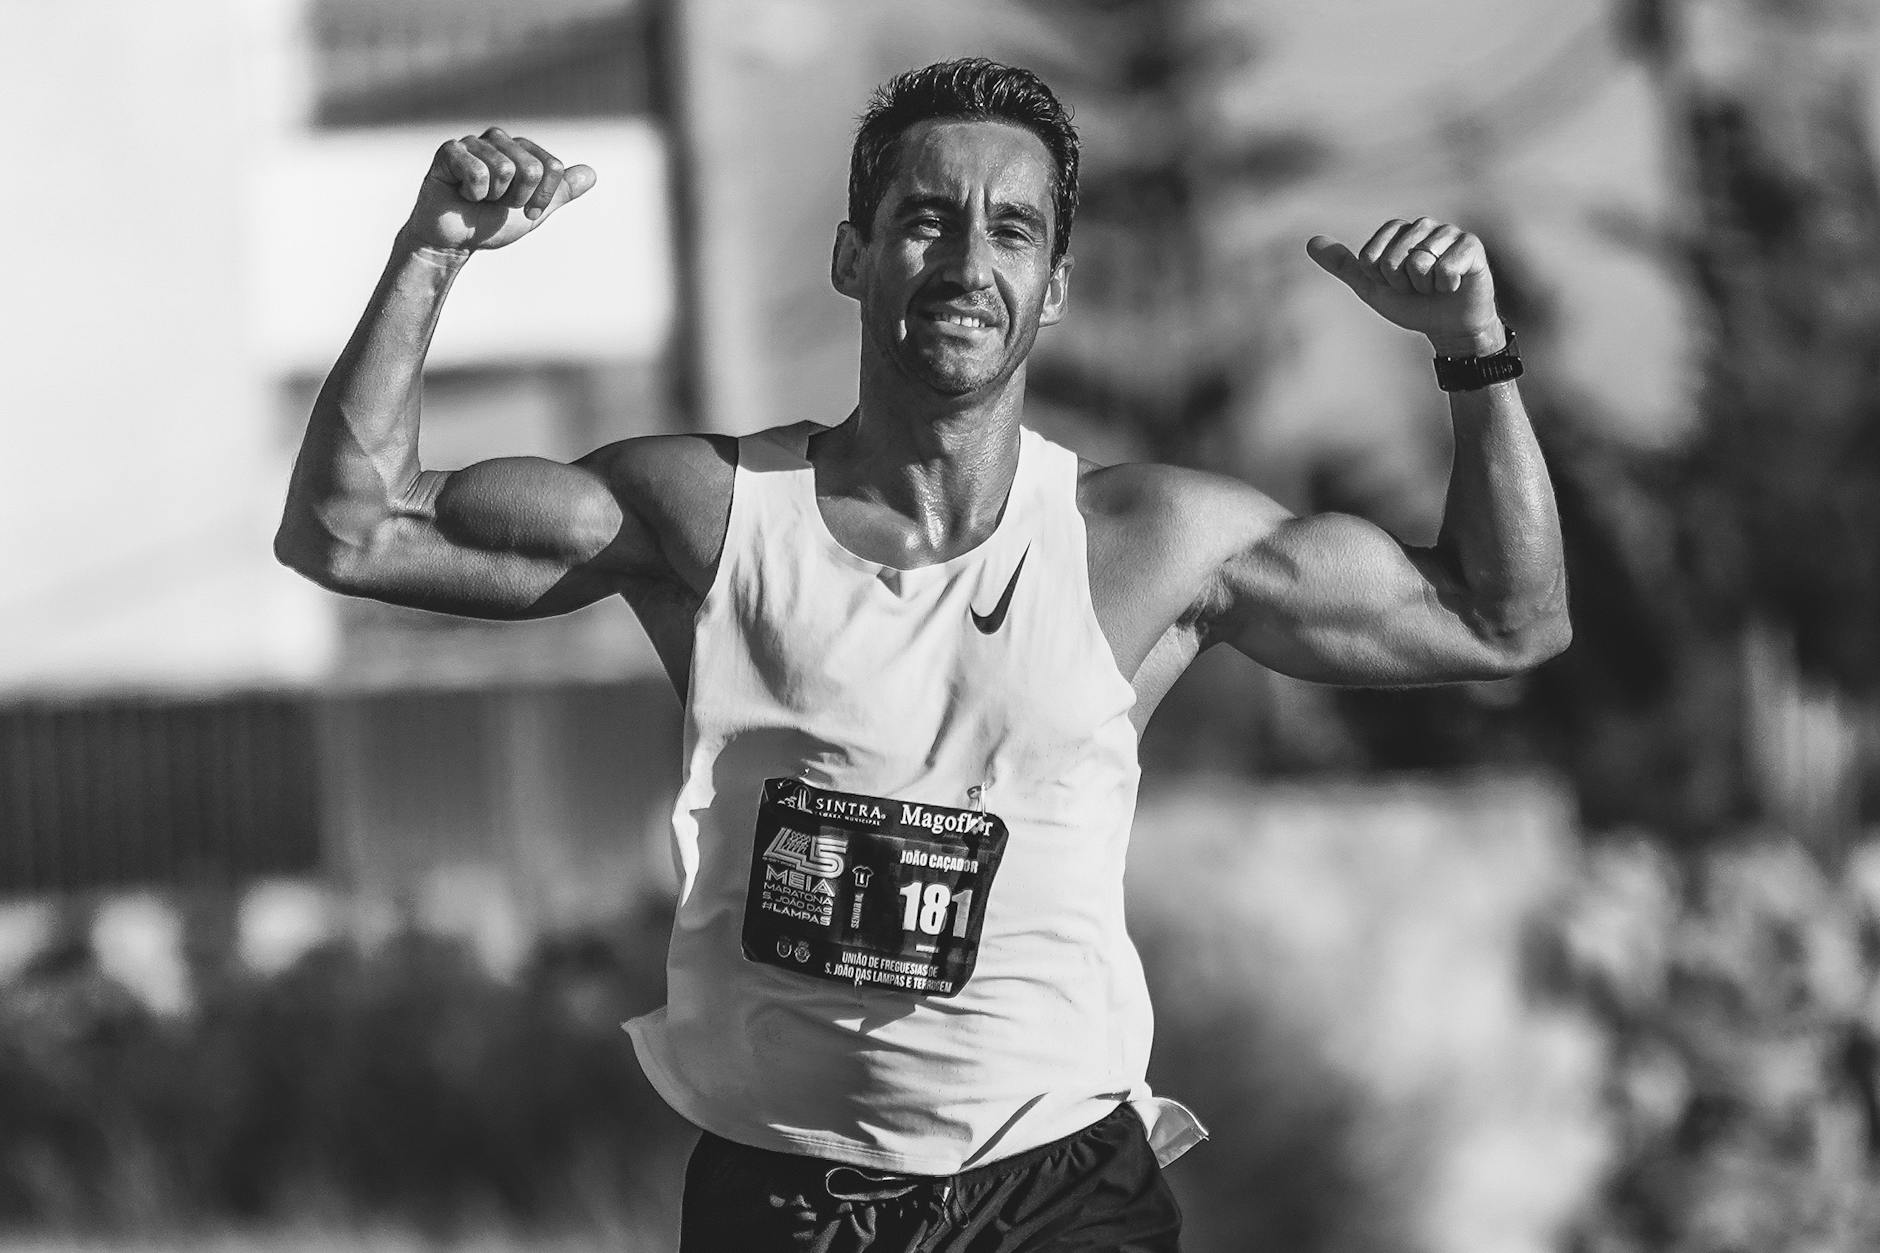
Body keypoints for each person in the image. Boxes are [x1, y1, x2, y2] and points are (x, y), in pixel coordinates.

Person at [276, 56, 1568, 1253]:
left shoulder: (1145, 545)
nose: (966, 262)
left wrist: (1472, 352)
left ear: (1055, 286)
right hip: (791, 1193)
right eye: (928, 220)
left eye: (1012, 230)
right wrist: (431, 252)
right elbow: (350, 531)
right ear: (854, 254)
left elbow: (1505, 619)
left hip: (1062, 1192)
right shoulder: (714, 516)